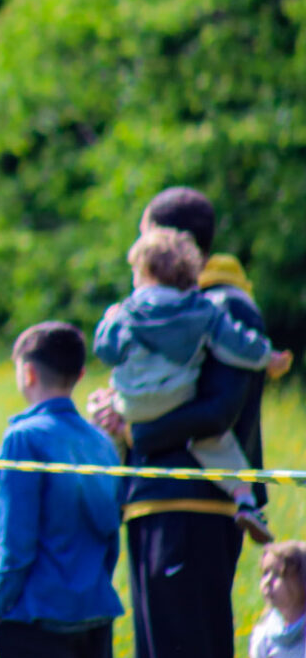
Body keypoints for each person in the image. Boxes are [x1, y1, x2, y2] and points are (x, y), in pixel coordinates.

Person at [88, 187, 276, 658]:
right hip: (151, 501)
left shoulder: (224, 305)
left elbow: (221, 406)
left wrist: (135, 428)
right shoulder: (172, 308)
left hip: (196, 505)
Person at [0, 321, 124, 658]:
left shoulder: (23, 439)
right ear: (81, 373)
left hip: (37, 618)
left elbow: (16, 544)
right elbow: (111, 535)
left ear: (27, 373)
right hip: (94, 612)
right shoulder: (101, 443)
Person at [92, 226, 290, 543]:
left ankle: (109, 499)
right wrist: (270, 358)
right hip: (179, 398)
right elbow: (238, 345)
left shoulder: (126, 312)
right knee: (216, 443)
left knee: (106, 420)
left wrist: (108, 320)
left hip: (130, 403)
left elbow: (106, 350)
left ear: (144, 271)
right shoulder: (202, 310)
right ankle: (245, 500)